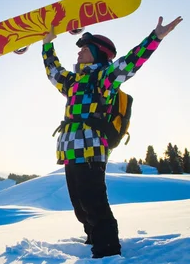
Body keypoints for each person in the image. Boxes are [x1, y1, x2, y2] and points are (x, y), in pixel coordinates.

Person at [41, 15, 183, 258]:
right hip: (69, 150)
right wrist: (47, 45)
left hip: (91, 149)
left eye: (85, 49)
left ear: (98, 53)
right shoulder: (73, 82)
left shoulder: (104, 78)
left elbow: (131, 62)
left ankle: (107, 251)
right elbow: (53, 71)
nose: (79, 52)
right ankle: (93, 239)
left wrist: (155, 37)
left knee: (93, 202)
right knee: (80, 205)